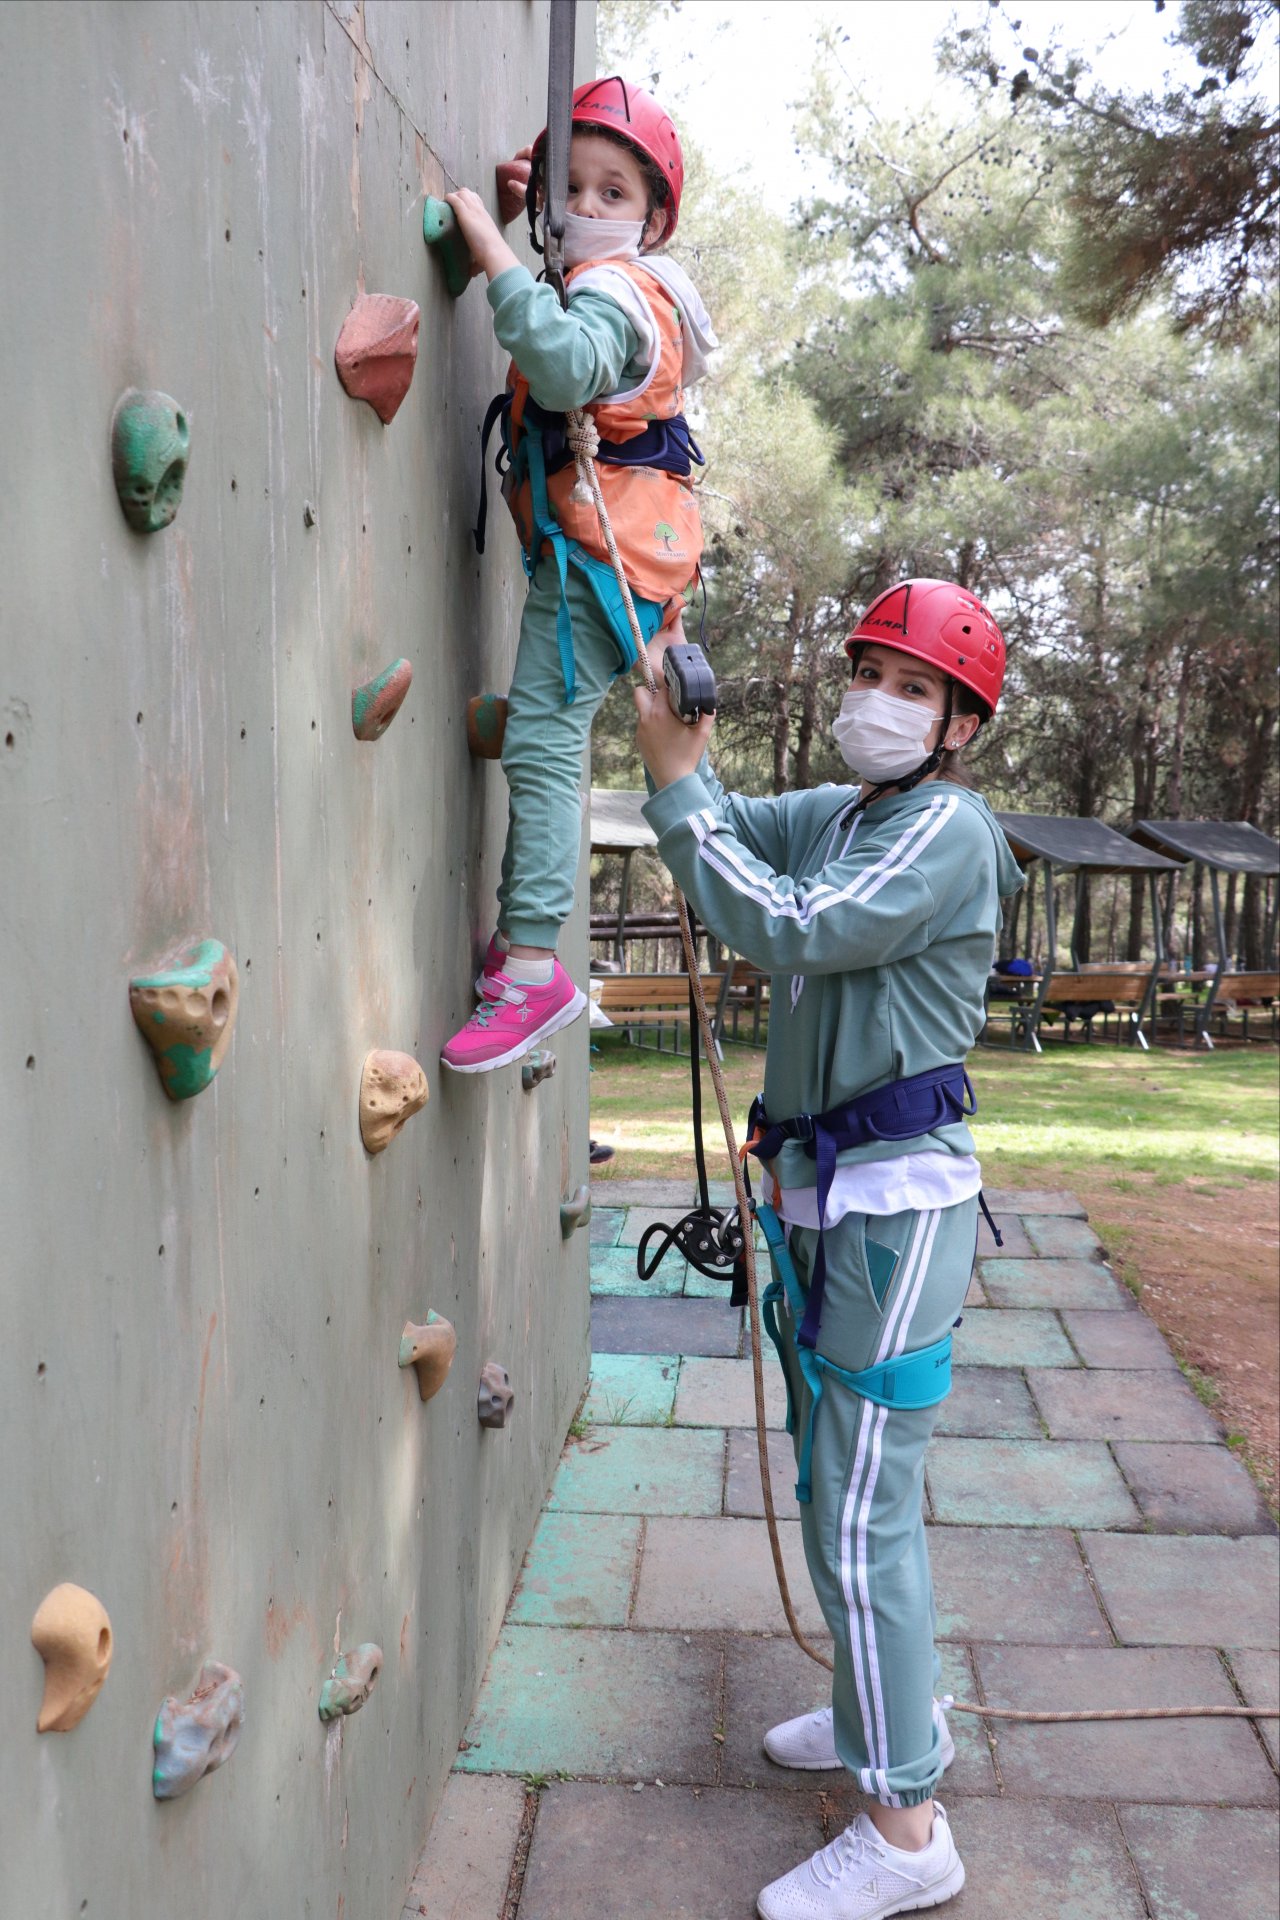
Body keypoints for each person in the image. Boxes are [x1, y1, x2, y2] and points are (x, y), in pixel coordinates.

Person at [633, 579, 1023, 1920]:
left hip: (893, 1209)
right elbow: (728, 830)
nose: (880, 699)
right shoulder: (852, 813)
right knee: (833, 1490)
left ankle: (909, 1828)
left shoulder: (949, 832)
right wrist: (675, 714)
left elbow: (786, 920)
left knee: (862, 1512)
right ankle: (883, 1713)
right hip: (819, 1199)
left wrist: (680, 791)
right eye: (871, 671)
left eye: (914, 688)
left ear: (960, 723)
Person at [439, 75, 716, 1074]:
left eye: (614, 194)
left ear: (652, 219)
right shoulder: (636, 287)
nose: (589, 209)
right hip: (624, 553)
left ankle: (529, 967)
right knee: (546, 742)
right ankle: (523, 951)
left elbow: (561, 366)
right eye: (574, 188)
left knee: (547, 749)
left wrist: (492, 254)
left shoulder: (616, 292)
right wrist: (535, 211)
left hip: (599, 557)